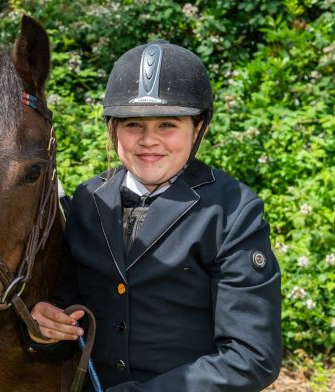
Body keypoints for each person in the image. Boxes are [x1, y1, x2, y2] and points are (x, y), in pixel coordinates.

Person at [28, 40, 282, 391]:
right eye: (133, 124)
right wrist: (47, 322)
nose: (149, 140)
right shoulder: (88, 199)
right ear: (113, 129)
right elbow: (68, 303)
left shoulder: (233, 211)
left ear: (199, 129)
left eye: (167, 125)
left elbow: (252, 357)